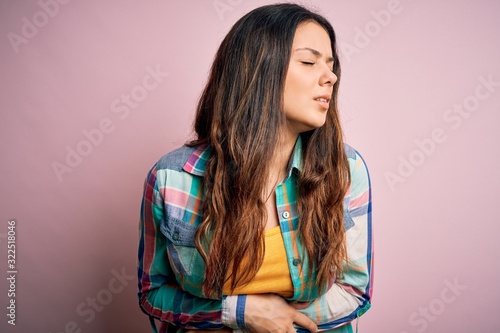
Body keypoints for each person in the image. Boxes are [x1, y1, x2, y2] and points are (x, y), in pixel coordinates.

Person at [138, 3, 373, 333]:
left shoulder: (345, 171)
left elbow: (354, 292)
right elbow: (152, 294)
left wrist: (280, 321)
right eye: (309, 61)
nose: (331, 76)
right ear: (257, 69)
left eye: (331, 66)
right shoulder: (172, 179)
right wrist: (239, 312)